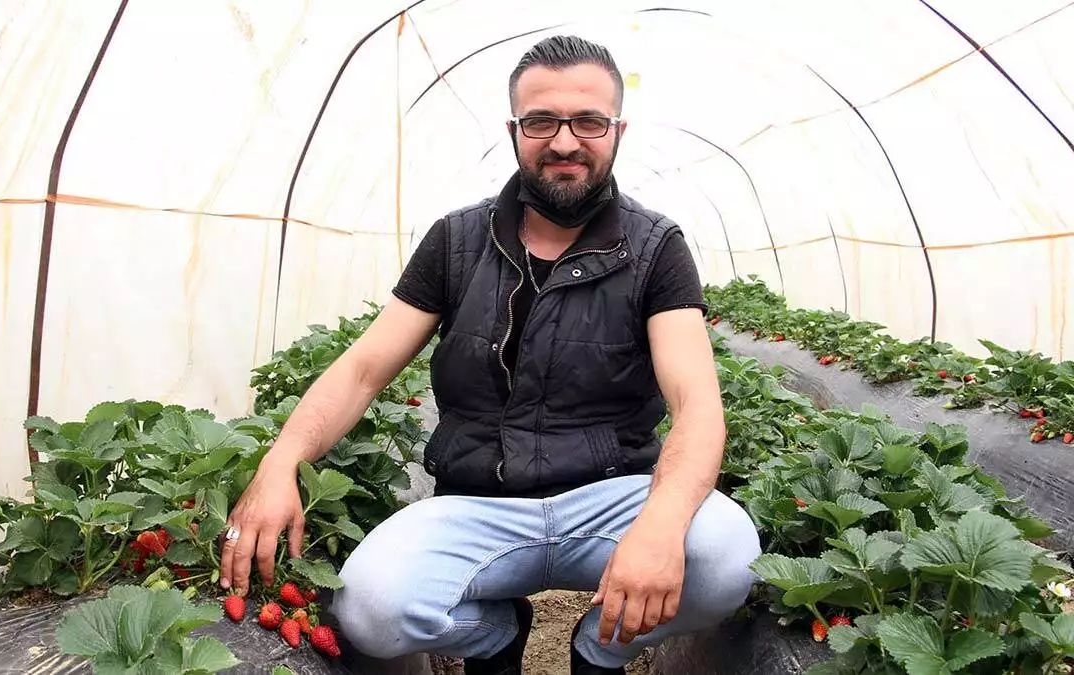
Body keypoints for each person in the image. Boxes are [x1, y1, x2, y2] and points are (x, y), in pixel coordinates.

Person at [220, 35, 761, 674]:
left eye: (588, 121)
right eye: (541, 121)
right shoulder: (457, 241)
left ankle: (600, 648)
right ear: (514, 130)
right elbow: (363, 370)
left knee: (727, 559)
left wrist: (661, 527)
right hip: (478, 506)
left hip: (612, 500)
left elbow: (696, 404)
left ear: (617, 129)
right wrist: (281, 462)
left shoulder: (654, 248)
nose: (564, 142)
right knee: (370, 608)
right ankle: (495, 638)